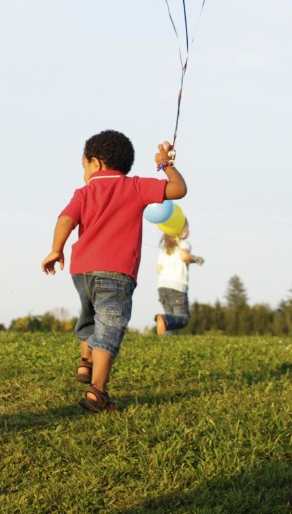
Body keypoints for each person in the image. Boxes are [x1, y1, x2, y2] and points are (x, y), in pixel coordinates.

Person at [42, 130, 186, 412]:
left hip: (82, 271)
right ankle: (97, 391)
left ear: (95, 163)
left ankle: (85, 360)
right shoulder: (135, 186)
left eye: (84, 166)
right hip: (116, 272)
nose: (84, 172)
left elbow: (65, 219)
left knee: (90, 314)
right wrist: (166, 165)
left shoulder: (84, 192)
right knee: (109, 326)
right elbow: (178, 190)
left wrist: (56, 249)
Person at [153, 226, 204, 336]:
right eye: (185, 227)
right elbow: (184, 257)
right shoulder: (184, 244)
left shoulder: (165, 248)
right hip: (177, 286)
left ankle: (166, 346)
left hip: (162, 286)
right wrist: (196, 259)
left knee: (172, 320)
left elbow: (158, 268)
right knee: (183, 318)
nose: (187, 230)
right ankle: (163, 319)